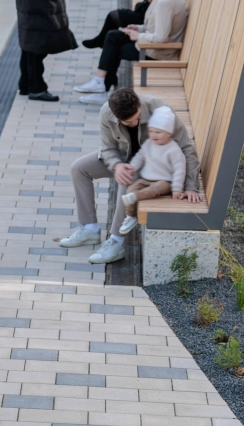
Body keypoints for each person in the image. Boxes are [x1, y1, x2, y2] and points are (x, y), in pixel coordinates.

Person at [57, 88, 200, 264]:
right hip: (125, 161)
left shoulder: (160, 109)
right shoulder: (106, 112)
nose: (134, 124)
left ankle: (116, 242)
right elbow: (108, 148)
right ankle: (89, 229)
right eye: (128, 122)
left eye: (137, 119)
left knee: (127, 180)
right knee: (78, 168)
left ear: (139, 104)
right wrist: (117, 165)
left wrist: (192, 185)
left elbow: (186, 147)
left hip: (154, 169)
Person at [74, 0, 187, 105]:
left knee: (114, 49)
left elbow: (161, 38)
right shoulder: (159, 1)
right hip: (149, 44)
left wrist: (139, 36)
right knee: (112, 36)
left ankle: (101, 88)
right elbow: (154, 27)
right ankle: (100, 82)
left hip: (157, 52)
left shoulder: (164, 3)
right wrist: (138, 28)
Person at [117, 106, 185, 235]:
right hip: (146, 178)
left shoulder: (173, 149)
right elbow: (140, 156)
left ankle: (135, 197)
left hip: (164, 181)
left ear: (169, 133)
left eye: (158, 132)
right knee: (131, 188)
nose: (154, 135)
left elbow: (179, 170)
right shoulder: (149, 143)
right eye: (151, 131)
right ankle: (130, 216)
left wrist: (176, 188)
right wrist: (133, 167)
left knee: (154, 190)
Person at [15, 0, 77, 102]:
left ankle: (25, 84)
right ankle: (36, 88)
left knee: (30, 44)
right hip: (38, 7)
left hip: (33, 8)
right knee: (36, 46)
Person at [81, 1, 150, 49]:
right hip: (147, 11)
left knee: (114, 16)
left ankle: (102, 41)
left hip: (147, 16)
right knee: (113, 19)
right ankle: (103, 41)